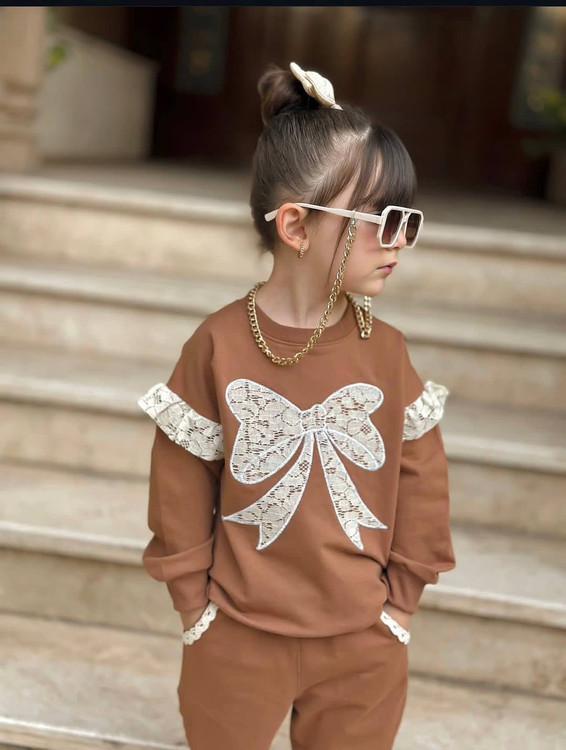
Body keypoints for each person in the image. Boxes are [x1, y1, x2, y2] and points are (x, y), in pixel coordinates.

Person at [137, 61, 456, 750]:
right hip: (237, 636)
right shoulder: (218, 344)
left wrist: (399, 607)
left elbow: (422, 481)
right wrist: (195, 609)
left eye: (409, 221)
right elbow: (179, 484)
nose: (400, 240)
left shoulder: (387, 353)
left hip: (363, 642)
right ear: (296, 226)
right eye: (383, 221)